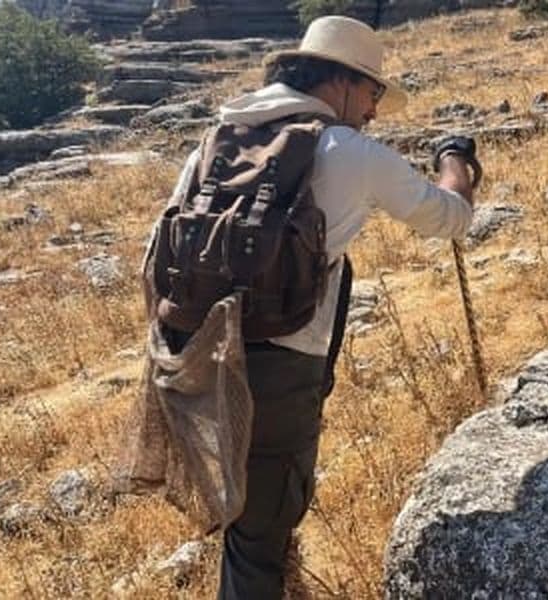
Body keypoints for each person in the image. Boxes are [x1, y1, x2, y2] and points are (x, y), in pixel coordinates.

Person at [167, 15, 477, 599]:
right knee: (261, 536)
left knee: (244, 523)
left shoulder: (216, 141)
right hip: (279, 368)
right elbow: (449, 217)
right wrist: (456, 163)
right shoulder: (349, 149)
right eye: (374, 92)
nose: (375, 110)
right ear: (342, 81)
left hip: (194, 362)